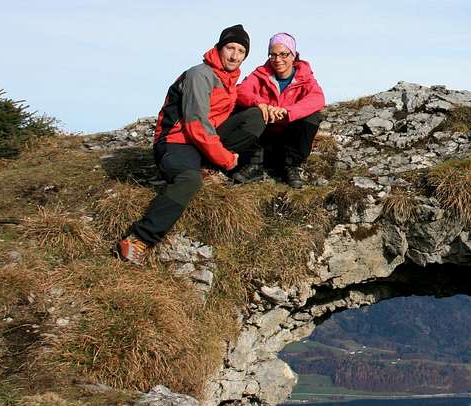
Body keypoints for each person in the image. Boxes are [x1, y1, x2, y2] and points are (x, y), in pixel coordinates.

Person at [115, 24, 266, 264]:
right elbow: (196, 125)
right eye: (230, 48)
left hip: (200, 141)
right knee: (189, 179)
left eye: (241, 51)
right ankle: (139, 239)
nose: (235, 55)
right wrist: (226, 158)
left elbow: (228, 112)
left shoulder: (229, 80)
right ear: (219, 48)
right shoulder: (200, 74)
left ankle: (208, 167)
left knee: (256, 117)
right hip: (175, 141)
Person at [233, 32, 325, 188]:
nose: (278, 60)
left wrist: (288, 112)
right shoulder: (261, 74)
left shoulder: (304, 76)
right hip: (264, 136)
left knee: (313, 116)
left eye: (284, 54)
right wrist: (261, 104)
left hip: (289, 137)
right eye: (273, 55)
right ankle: (255, 163)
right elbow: (241, 91)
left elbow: (317, 98)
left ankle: (291, 165)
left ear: (293, 55)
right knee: (246, 109)